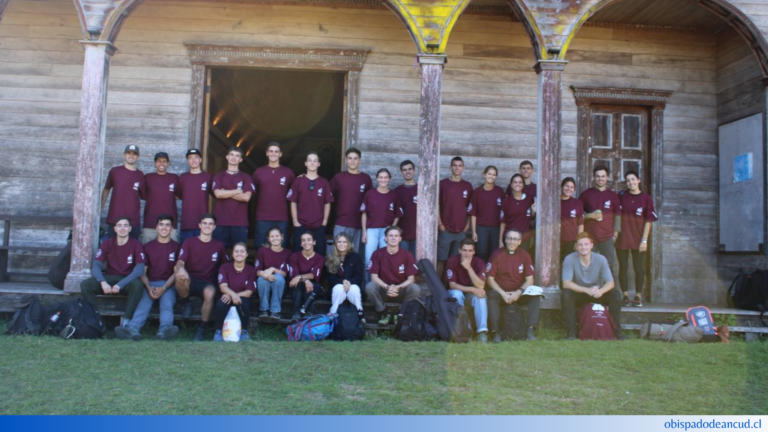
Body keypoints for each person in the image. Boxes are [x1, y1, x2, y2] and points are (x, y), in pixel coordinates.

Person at [116, 214, 180, 341]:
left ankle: (165, 331)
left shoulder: (177, 247)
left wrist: (164, 287)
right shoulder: (147, 247)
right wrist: (148, 287)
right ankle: (132, 329)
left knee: (166, 303)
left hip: (168, 285)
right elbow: (142, 271)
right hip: (149, 283)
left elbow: (176, 273)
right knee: (144, 303)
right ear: (156, 227)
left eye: (167, 225)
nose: (164, 228)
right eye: (161, 225)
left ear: (171, 229)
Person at [79, 217, 145, 328]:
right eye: (119, 225)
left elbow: (139, 269)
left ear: (130, 228)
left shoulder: (136, 244)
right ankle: (95, 318)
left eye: (125, 225)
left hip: (126, 280)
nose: (122, 228)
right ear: (115, 229)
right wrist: (102, 282)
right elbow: (96, 265)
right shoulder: (108, 243)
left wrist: (121, 284)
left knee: (138, 285)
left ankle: (126, 321)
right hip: (110, 277)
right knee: (85, 285)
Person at [175, 214, 228, 341]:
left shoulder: (219, 245)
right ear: (199, 225)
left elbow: (225, 266)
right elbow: (180, 262)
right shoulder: (189, 242)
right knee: (180, 276)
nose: (207, 226)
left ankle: (201, 329)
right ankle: (186, 303)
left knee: (210, 293)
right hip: (191, 279)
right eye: (204, 223)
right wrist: (181, 269)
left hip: (207, 282)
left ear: (214, 227)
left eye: (210, 224)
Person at [561, 232, 622, 340]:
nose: (583, 247)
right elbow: (566, 283)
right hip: (579, 293)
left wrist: (601, 291)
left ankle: (616, 331)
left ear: (591, 245)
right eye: (580, 244)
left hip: (596, 293)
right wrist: (586, 290)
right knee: (566, 294)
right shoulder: (569, 259)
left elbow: (611, 283)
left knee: (615, 295)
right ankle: (571, 332)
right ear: (576, 246)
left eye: (586, 244)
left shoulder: (601, 259)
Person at [487, 229, 539, 342]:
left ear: (519, 242)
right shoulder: (496, 254)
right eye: (509, 238)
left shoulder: (524, 255)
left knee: (535, 295)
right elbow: (489, 279)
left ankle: (530, 330)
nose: (511, 241)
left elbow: (530, 279)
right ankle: (496, 332)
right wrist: (503, 293)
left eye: (515, 239)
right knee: (491, 295)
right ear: (505, 240)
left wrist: (518, 292)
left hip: (518, 294)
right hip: (501, 294)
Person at [616, 171, 658, 307]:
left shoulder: (646, 199)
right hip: (622, 237)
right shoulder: (621, 196)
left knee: (638, 267)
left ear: (638, 180)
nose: (630, 183)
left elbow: (649, 221)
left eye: (633, 179)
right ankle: (625, 295)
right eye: (628, 180)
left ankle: (638, 296)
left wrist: (644, 240)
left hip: (639, 239)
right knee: (623, 267)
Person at [365, 226, 422, 325]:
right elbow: (374, 277)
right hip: (384, 290)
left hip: (400, 291)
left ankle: (400, 312)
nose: (393, 238)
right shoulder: (377, 254)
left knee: (415, 288)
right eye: (390, 235)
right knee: (370, 287)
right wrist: (387, 287)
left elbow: (411, 279)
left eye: (396, 236)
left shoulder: (407, 255)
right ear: (385, 238)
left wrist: (398, 287)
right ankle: (383, 311)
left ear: (400, 239)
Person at [287, 152, 334, 255]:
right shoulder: (298, 181)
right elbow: (293, 201)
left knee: (319, 253)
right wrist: (295, 221)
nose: (312, 163)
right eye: (310, 160)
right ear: (305, 163)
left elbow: (327, 203)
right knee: (298, 254)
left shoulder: (324, 182)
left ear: (318, 164)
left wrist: (325, 221)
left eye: (315, 161)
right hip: (301, 224)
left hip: (318, 225)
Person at [445, 238, 489, 343]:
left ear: (474, 252)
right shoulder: (452, 261)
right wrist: (472, 289)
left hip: (470, 295)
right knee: (457, 294)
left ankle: (481, 332)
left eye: (470, 251)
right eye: (464, 250)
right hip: (457, 292)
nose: (467, 253)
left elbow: (480, 285)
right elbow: (452, 285)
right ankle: (461, 329)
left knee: (481, 296)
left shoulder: (479, 262)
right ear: (459, 250)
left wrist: (469, 268)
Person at [330, 148, 373, 253]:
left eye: (355, 158)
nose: (352, 161)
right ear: (346, 160)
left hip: (358, 224)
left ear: (359, 160)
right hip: (341, 223)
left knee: (354, 255)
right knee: (337, 254)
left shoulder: (365, 178)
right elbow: (325, 193)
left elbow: (371, 201)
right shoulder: (338, 177)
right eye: (350, 158)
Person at [252, 142, 294, 248]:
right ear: (267, 153)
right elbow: (251, 193)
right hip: (262, 216)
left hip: (281, 217)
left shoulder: (288, 172)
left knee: (281, 247)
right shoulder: (259, 172)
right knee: (261, 247)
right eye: (271, 151)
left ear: (280, 154)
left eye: (276, 151)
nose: (273, 154)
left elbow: (295, 191)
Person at [579, 165, 620, 272]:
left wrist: (615, 235)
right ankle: (590, 288)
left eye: (603, 176)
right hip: (589, 238)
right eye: (597, 176)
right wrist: (589, 215)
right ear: (593, 177)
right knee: (588, 265)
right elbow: (578, 215)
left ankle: (607, 288)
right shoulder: (586, 194)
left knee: (608, 266)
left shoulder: (613, 196)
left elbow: (618, 216)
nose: (600, 179)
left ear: (607, 177)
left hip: (607, 237)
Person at [361, 168, 402, 275]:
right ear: (377, 179)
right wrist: (364, 232)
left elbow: (397, 215)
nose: (383, 179)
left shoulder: (393, 195)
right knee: (369, 260)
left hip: (386, 231)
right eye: (381, 177)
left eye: (386, 177)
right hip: (372, 231)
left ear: (389, 179)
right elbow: (364, 213)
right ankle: (368, 288)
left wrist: (391, 229)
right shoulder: (370, 194)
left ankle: (383, 287)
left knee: (385, 260)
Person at [213, 242, 257, 342]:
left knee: (244, 303)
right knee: (221, 303)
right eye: (236, 251)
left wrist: (234, 295)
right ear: (232, 254)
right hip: (227, 295)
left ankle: (244, 332)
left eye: (242, 251)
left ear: (246, 254)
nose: (239, 254)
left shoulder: (251, 270)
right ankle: (218, 331)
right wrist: (231, 295)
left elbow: (249, 292)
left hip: (241, 297)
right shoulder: (224, 267)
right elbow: (223, 286)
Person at [212, 146, 254, 249]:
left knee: (239, 253)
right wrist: (237, 191)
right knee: (219, 253)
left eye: (237, 156)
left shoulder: (246, 177)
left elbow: (246, 198)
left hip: (239, 222)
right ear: (227, 157)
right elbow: (218, 194)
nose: (234, 158)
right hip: (221, 221)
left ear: (241, 160)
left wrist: (225, 192)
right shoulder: (218, 176)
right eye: (231, 155)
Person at [438, 157, 473, 277]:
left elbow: (470, 207)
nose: (457, 168)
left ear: (463, 167)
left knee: (455, 261)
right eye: (455, 165)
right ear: (450, 167)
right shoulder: (443, 184)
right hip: (445, 229)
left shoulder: (467, 186)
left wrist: (467, 225)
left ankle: (450, 287)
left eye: (460, 165)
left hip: (460, 231)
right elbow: (436, 204)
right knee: (441, 260)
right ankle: (438, 287)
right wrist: (440, 224)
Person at [102, 145, 145, 239]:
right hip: (115, 219)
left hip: (133, 221)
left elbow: (144, 196)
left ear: (137, 156)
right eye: (129, 153)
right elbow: (106, 189)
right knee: (113, 250)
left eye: (134, 154)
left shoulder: (140, 175)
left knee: (132, 250)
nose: (131, 155)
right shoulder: (115, 171)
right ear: (124, 155)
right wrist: (100, 209)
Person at [177, 148, 213, 245]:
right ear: (187, 161)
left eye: (196, 157)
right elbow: (178, 196)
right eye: (190, 158)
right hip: (186, 223)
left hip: (203, 225)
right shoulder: (183, 177)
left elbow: (217, 194)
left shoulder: (208, 177)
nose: (193, 160)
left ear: (200, 160)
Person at [141, 152, 179, 244]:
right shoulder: (148, 177)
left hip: (170, 224)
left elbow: (178, 195)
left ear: (168, 163)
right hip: (150, 222)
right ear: (155, 163)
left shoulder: (174, 178)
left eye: (164, 161)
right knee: (146, 250)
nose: (161, 163)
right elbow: (143, 195)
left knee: (172, 251)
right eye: (159, 161)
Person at [255, 226, 291, 320]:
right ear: (268, 239)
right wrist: (265, 275)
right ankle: (264, 309)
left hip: (280, 284)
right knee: (262, 279)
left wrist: (273, 269)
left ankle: (275, 311)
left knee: (278, 278)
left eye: (277, 236)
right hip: (265, 282)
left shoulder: (287, 253)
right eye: (272, 236)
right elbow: (257, 271)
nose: (275, 238)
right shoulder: (262, 251)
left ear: (282, 237)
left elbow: (285, 273)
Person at [470, 165, 504, 262]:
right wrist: (474, 232)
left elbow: (504, 212)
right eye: (489, 174)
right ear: (484, 175)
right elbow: (473, 213)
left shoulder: (499, 191)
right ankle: (482, 274)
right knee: (481, 253)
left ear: (496, 177)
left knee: (495, 253)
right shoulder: (477, 192)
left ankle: (492, 276)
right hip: (481, 228)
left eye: (494, 175)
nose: (491, 176)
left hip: (496, 229)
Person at [288, 232, 325, 321]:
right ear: (301, 243)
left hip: (314, 284)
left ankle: (309, 312)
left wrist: (302, 278)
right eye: (303, 240)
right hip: (298, 283)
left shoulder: (320, 258)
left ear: (314, 242)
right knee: (296, 285)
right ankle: (296, 311)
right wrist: (304, 280)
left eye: (309, 240)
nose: (306, 242)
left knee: (310, 286)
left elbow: (314, 275)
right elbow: (294, 276)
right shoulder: (294, 256)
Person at [326, 233, 365, 316]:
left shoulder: (355, 257)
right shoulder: (330, 257)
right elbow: (330, 278)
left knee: (354, 288)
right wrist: (342, 281)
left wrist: (348, 282)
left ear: (349, 244)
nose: (341, 244)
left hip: (352, 286)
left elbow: (359, 277)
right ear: (335, 244)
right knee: (339, 288)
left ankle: (360, 311)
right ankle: (333, 311)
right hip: (337, 288)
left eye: (344, 242)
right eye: (339, 242)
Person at [499, 173, 535, 250]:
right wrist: (500, 240)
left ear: (523, 184)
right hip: (509, 238)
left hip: (524, 238)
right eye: (515, 182)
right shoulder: (506, 201)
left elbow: (532, 217)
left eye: (520, 182)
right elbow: (503, 222)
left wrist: (534, 212)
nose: (517, 184)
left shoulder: (529, 200)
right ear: (511, 185)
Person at [394, 160, 418, 256]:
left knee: (417, 263)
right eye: (404, 170)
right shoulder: (397, 191)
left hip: (418, 235)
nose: (407, 172)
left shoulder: (421, 189)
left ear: (414, 170)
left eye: (410, 169)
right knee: (404, 261)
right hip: (402, 234)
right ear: (401, 172)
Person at [560, 177, 584, 263]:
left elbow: (580, 224)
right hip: (555, 241)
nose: (569, 189)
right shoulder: (554, 202)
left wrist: (579, 241)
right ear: (562, 186)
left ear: (574, 190)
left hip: (571, 242)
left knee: (568, 267)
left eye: (571, 187)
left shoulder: (577, 203)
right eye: (567, 186)